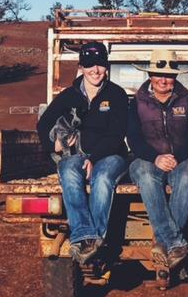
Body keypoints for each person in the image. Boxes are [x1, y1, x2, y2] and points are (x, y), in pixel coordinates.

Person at [37, 41, 128, 264]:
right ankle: (86, 235)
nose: (95, 70)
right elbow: (43, 123)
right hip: (76, 156)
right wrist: (54, 145)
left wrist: (93, 158)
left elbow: (117, 134)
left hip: (111, 155)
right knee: (67, 170)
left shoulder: (117, 95)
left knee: (103, 178)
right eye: (89, 64)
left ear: (106, 67)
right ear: (81, 67)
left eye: (100, 64)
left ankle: (93, 239)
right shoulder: (69, 96)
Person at [127, 49, 188, 270]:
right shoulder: (137, 102)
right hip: (147, 158)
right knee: (145, 176)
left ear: (176, 77)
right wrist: (156, 157)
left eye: (168, 75)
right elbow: (133, 138)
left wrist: (176, 157)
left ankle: (163, 244)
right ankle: (174, 242)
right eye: (158, 74)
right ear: (150, 75)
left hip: (184, 157)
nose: (163, 80)